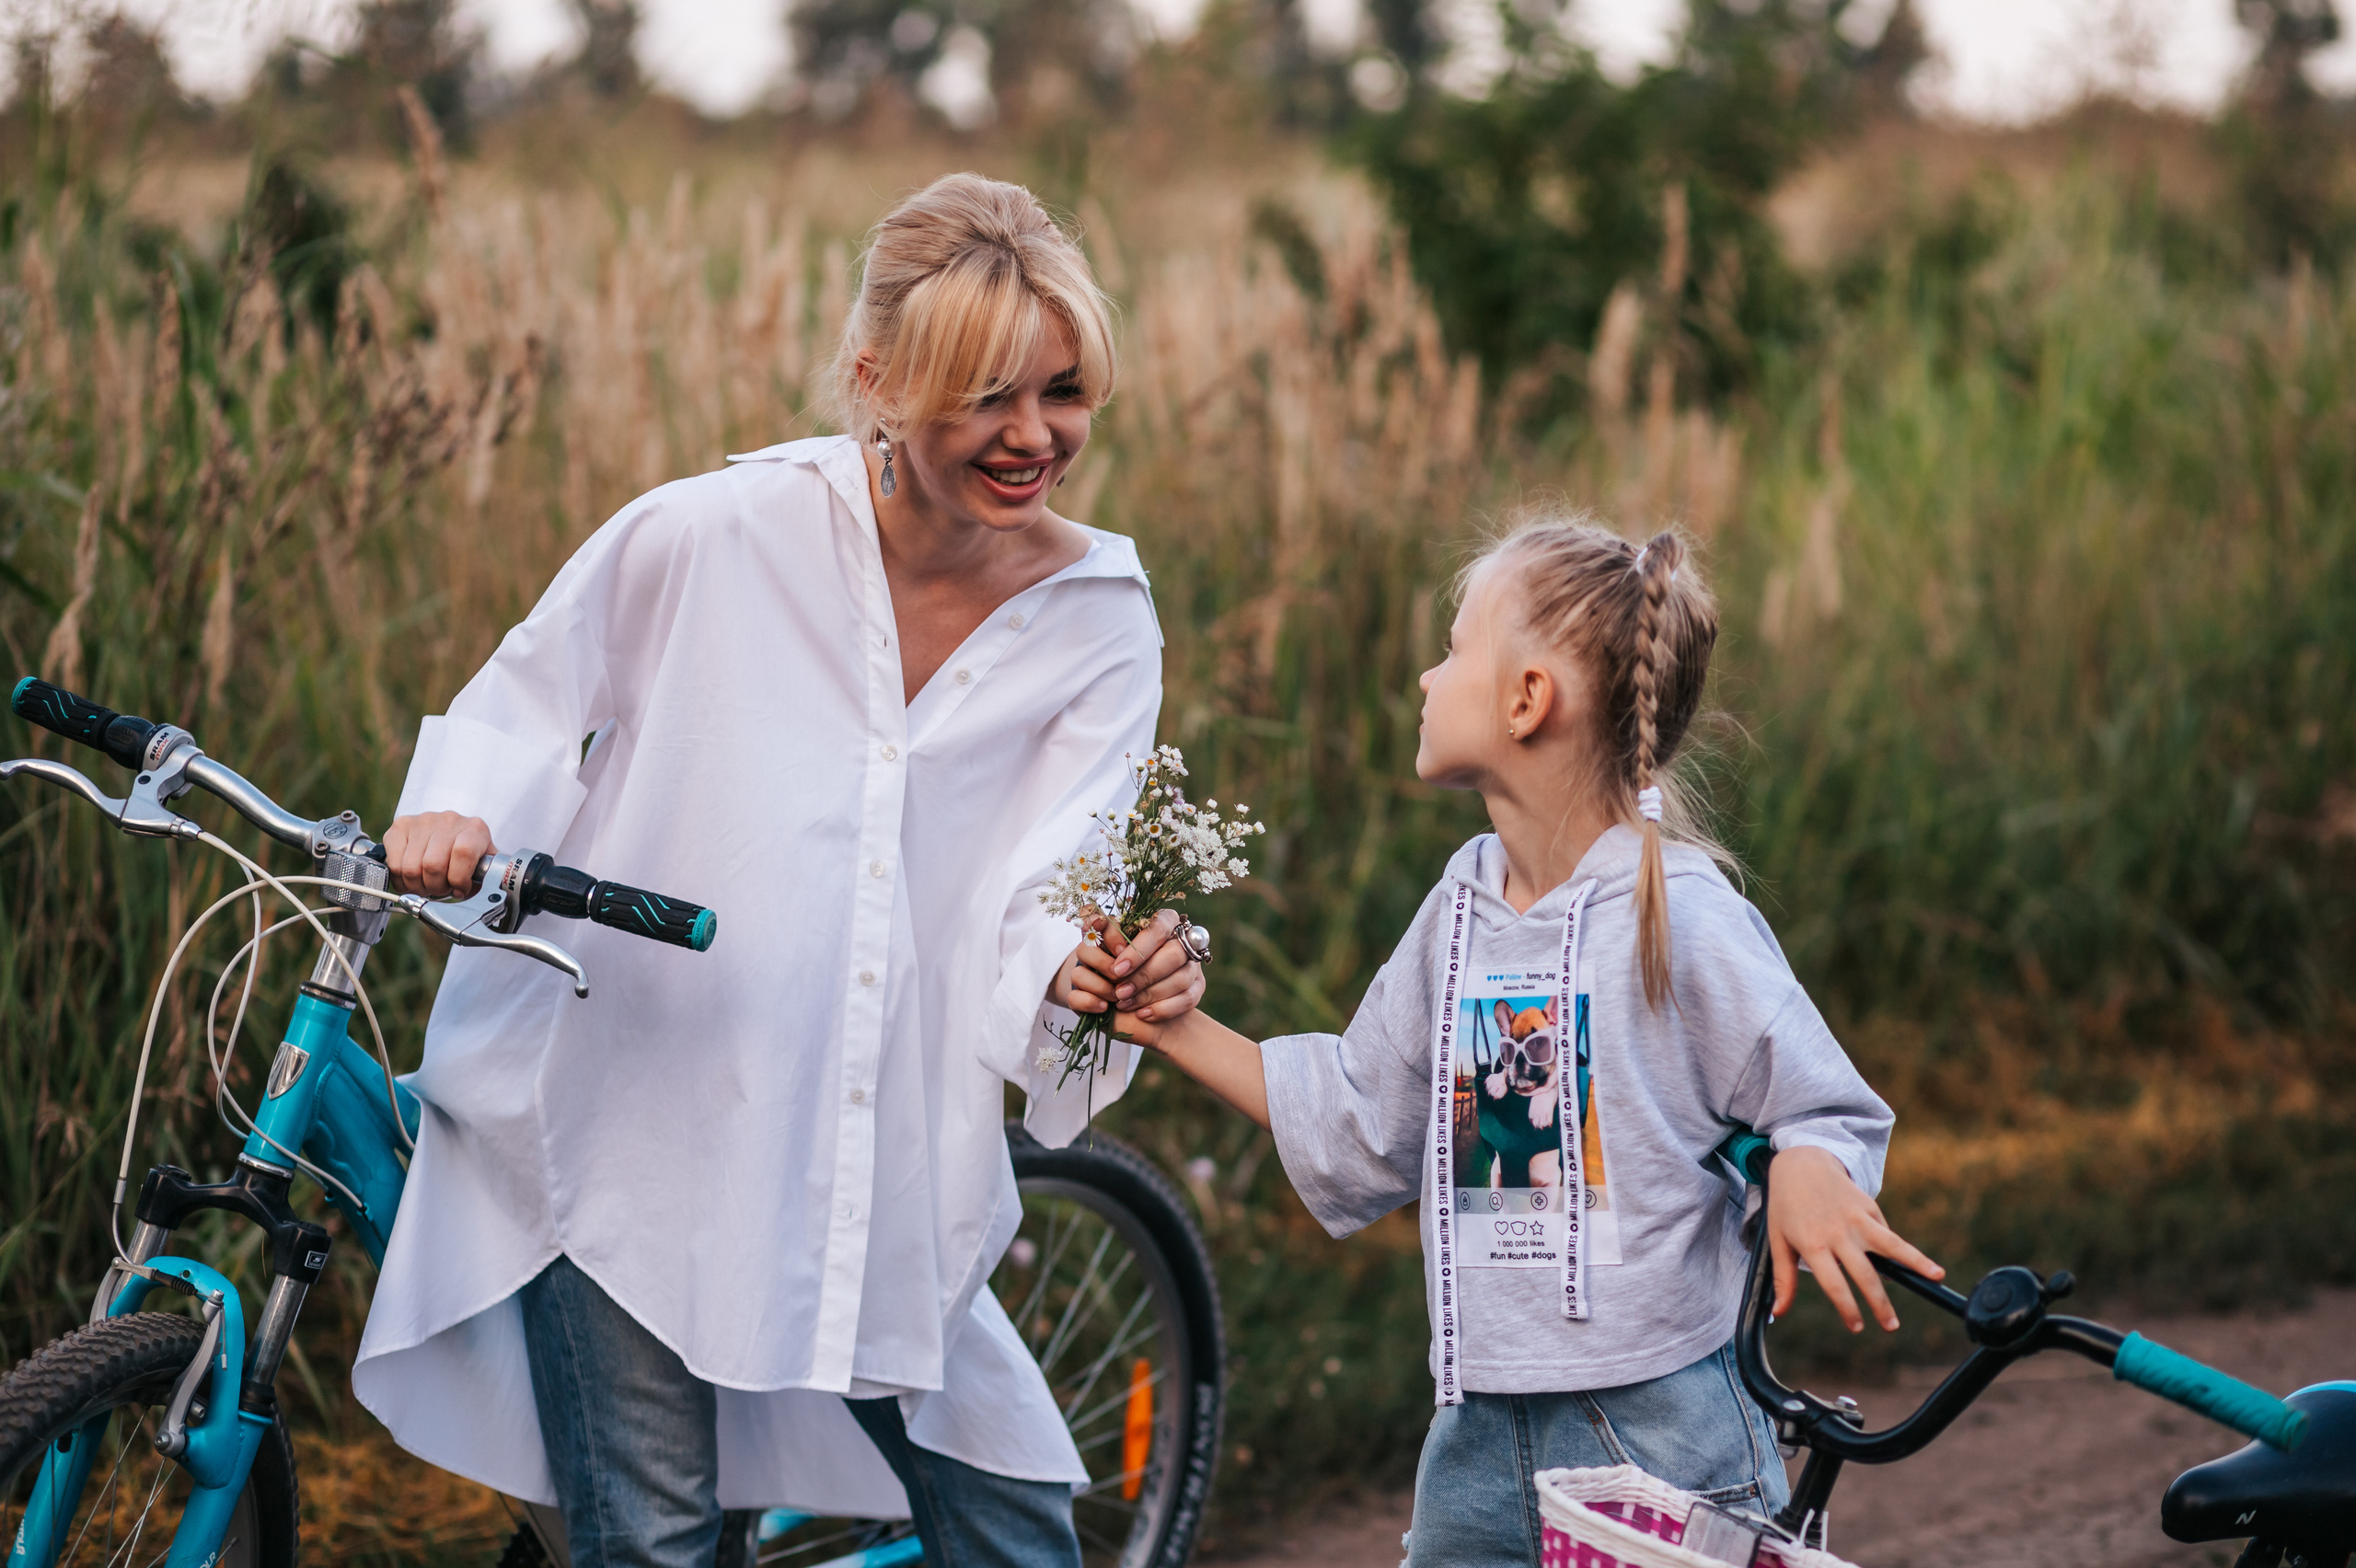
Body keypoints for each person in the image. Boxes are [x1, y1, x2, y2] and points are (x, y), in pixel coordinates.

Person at [352, 173, 1204, 1568]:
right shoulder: (711, 532)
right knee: (654, 1541)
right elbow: (532, 693)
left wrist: (1081, 962)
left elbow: (1066, 864)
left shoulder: (1100, 613)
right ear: (877, 382)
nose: (1034, 435)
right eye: (985, 395)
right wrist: (456, 814)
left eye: (1063, 391)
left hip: (881, 1131)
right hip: (633, 1108)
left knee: (1013, 1523)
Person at [1080, 518, 1944, 1565]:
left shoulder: (1679, 915)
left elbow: (1820, 1106)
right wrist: (1172, 1024)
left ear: (1527, 699)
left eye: (1452, 649)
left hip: (1663, 1432)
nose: (1425, 675)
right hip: (1475, 1438)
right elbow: (1360, 1118)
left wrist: (1809, 1165)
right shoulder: (1460, 912)